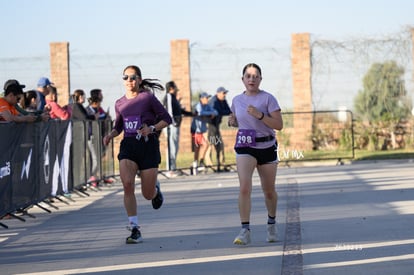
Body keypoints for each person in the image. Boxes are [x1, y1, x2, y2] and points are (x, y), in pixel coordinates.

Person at [103, 65, 172, 244]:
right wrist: (110, 135)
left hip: (148, 146)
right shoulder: (119, 103)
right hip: (129, 146)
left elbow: (167, 119)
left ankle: (155, 191)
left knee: (147, 194)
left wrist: (152, 128)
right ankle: (134, 228)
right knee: (127, 185)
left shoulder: (147, 98)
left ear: (139, 80)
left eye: (133, 77)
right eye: (125, 77)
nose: (129, 81)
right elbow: (119, 126)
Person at [228, 63, 283, 245]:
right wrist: (233, 121)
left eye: (255, 76)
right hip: (245, 146)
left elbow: (278, 125)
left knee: (268, 191)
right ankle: (245, 230)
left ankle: (271, 223)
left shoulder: (268, 99)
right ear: (243, 79)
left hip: (267, 146)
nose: (251, 79)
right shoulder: (236, 100)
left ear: (260, 79)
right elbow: (241, 122)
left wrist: (260, 115)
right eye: (248, 76)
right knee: (244, 187)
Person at [162, 81, 194, 177]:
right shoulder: (168, 96)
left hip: (175, 125)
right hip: (171, 126)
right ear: (171, 88)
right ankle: (170, 170)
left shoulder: (173, 98)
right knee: (171, 147)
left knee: (175, 147)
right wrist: (172, 122)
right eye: (175, 88)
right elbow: (169, 111)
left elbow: (179, 110)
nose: (176, 90)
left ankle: (173, 167)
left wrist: (191, 114)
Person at [70, 89, 100, 186]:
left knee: (85, 159)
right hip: (78, 136)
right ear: (80, 97)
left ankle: (81, 181)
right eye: (83, 96)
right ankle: (79, 181)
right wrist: (93, 117)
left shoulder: (80, 106)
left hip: (82, 136)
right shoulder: (76, 106)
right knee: (79, 160)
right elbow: (84, 118)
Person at [190, 92, 218, 173]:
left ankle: (199, 162)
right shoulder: (198, 105)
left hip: (201, 130)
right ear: (201, 99)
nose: (207, 99)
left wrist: (211, 113)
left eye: (208, 98)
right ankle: (196, 164)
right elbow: (200, 112)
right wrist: (210, 113)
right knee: (198, 147)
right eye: (206, 98)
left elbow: (216, 112)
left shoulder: (207, 106)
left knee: (204, 145)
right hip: (196, 129)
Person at [208, 86, 232, 172]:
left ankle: (221, 165)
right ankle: (211, 166)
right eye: (223, 93)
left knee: (219, 145)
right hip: (210, 126)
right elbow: (215, 111)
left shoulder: (223, 101)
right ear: (218, 93)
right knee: (211, 144)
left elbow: (228, 111)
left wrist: (220, 112)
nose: (224, 95)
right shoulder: (213, 101)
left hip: (217, 126)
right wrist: (220, 112)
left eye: (225, 93)